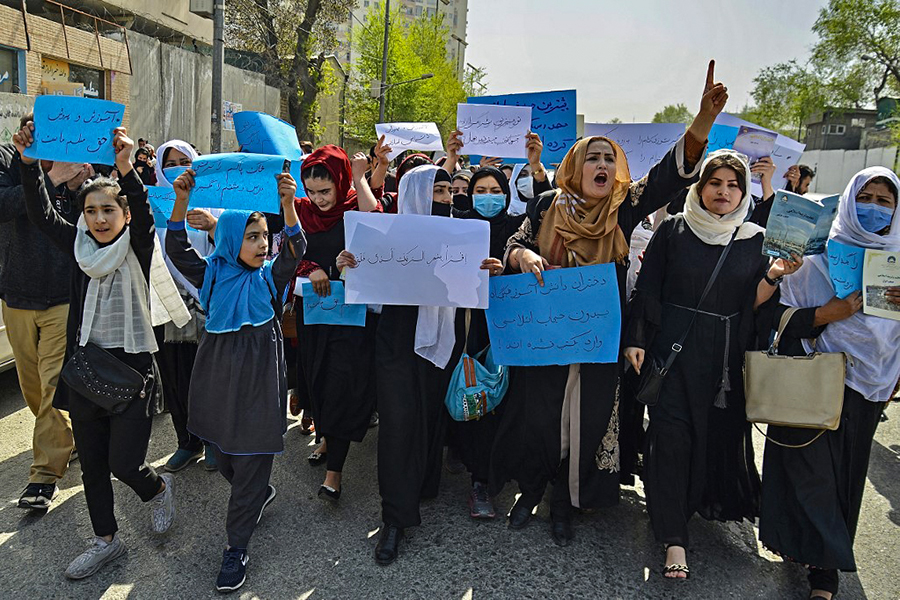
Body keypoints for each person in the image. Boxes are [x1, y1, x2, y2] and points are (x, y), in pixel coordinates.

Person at [490, 61, 729, 548]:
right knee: (541, 415)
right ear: (576, 166)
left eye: (609, 158)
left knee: (586, 417)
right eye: (592, 157)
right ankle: (531, 488)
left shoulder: (623, 210)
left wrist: (701, 121)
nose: (602, 165)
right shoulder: (545, 206)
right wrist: (523, 253)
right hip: (544, 334)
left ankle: (565, 501)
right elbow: (514, 242)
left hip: (598, 338)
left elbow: (667, 176)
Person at [15, 122, 184, 579]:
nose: (100, 218)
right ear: (83, 216)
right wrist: (30, 164)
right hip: (87, 368)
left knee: (124, 462)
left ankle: (157, 489)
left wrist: (127, 167)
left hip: (133, 370)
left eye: (109, 209)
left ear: (124, 214)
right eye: (91, 211)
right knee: (92, 464)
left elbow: (145, 209)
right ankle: (104, 540)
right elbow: (40, 213)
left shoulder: (140, 244)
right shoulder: (77, 248)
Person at [623, 150, 803, 579]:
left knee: (708, 439)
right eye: (715, 183)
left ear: (742, 192)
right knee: (669, 440)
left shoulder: (757, 239)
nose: (723, 192)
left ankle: (692, 505)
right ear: (700, 187)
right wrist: (636, 339)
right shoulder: (674, 229)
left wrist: (774, 276)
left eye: (732, 185)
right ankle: (673, 538)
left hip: (725, 361)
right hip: (673, 353)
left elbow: (753, 306)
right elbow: (648, 288)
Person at [336, 164, 498, 564]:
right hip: (396, 340)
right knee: (398, 423)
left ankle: (423, 483)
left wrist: (488, 271)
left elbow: (468, 287)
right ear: (415, 195)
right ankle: (395, 517)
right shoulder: (385, 236)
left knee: (428, 415)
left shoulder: (463, 233)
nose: (446, 199)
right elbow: (368, 292)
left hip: (444, 338)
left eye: (447, 191)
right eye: (437, 192)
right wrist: (349, 267)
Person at [758, 167, 900, 600]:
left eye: (884, 201)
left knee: (843, 476)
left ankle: (824, 567)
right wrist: (824, 315)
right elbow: (771, 319)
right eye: (866, 196)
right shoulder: (814, 255)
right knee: (807, 470)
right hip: (812, 374)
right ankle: (813, 560)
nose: (873, 207)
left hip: (870, 383)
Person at [165, 167, 304, 593]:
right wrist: (183, 199)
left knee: (250, 458)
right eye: (252, 237)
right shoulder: (210, 275)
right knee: (224, 457)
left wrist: (286, 205)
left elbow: (295, 249)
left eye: (264, 236)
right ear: (229, 240)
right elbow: (175, 245)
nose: (263, 244)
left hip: (260, 381)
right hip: (217, 378)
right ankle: (257, 492)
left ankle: (236, 548)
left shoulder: (270, 279)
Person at [443, 129, 552, 519]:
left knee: (503, 403)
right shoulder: (458, 224)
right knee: (473, 394)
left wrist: (536, 167)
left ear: (507, 195)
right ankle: (477, 477)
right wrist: (451, 159)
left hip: (508, 328)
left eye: (495, 190)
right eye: (480, 190)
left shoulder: (515, 228)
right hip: (469, 327)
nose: (488, 196)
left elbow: (543, 210)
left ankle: (493, 474)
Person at [1, 113, 90, 511]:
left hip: (63, 296)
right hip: (16, 295)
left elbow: (96, 221)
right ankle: (62, 440)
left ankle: (43, 477)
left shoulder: (79, 162)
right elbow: (4, 206)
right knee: (33, 388)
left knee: (52, 383)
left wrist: (77, 186)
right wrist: (46, 177)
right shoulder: (7, 159)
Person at [290, 145, 380, 502]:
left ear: (341, 183)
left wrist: (361, 177)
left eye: (325, 191)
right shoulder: (301, 211)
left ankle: (334, 474)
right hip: (314, 316)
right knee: (319, 380)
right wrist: (309, 269)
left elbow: (376, 224)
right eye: (311, 191)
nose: (318, 199)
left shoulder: (356, 207)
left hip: (352, 319)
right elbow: (290, 251)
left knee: (342, 386)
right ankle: (326, 438)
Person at [153, 139, 221, 473]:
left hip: (204, 304)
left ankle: (211, 441)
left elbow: (229, 247)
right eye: (171, 162)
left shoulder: (214, 202)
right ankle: (186, 442)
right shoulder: (152, 204)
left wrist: (212, 226)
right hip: (165, 306)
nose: (178, 167)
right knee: (175, 378)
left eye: (185, 160)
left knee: (204, 377)